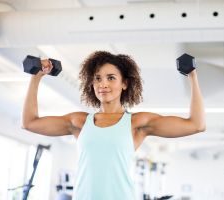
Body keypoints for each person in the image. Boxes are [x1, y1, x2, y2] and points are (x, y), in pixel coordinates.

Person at [22, 51, 206, 200]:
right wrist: (36, 78)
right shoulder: (79, 122)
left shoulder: (137, 123)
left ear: (125, 83)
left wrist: (192, 76)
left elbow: (196, 125)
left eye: (111, 78)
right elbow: (30, 123)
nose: (103, 84)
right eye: (98, 78)